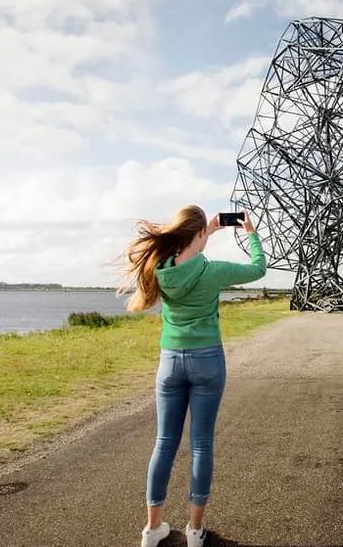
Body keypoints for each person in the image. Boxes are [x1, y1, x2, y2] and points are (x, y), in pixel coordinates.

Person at [119, 204, 267, 547]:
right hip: (207, 362)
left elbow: (187, 257)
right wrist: (252, 234)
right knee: (201, 444)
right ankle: (195, 531)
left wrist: (207, 230)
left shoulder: (161, 269)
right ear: (199, 234)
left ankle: (152, 529)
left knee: (164, 443)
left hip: (170, 362)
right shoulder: (211, 271)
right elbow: (258, 268)